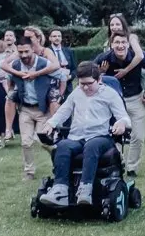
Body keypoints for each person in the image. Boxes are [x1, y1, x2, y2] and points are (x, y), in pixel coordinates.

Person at [41, 61, 130, 207]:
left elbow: (124, 117)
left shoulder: (109, 94)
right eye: (82, 83)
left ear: (99, 79)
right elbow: (64, 111)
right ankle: (60, 190)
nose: (85, 87)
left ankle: (85, 189)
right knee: (62, 146)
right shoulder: (77, 93)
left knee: (92, 145)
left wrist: (121, 123)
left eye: (89, 83)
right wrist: (51, 123)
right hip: (77, 137)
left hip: (101, 137)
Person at [96, 32, 145, 176]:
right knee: (113, 135)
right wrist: (101, 72)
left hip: (135, 99)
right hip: (113, 103)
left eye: (124, 42)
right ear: (111, 45)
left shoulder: (138, 57)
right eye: (117, 42)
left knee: (138, 136)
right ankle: (117, 162)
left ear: (128, 44)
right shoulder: (104, 59)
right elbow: (89, 76)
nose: (120, 45)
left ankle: (132, 168)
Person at [2, 36, 60, 179]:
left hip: (42, 109)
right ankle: (29, 172)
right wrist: (18, 75)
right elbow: (4, 69)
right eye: (20, 52)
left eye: (26, 51)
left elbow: (59, 71)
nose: (24, 55)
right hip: (25, 108)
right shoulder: (16, 65)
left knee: (44, 142)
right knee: (26, 142)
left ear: (33, 49)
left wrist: (37, 75)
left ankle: (60, 162)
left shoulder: (43, 63)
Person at [47, 29, 75, 104]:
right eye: (54, 36)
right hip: (52, 86)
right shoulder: (46, 52)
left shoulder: (69, 51)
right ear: (50, 38)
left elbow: (74, 69)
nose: (57, 38)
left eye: (59, 36)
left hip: (67, 86)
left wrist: (70, 77)